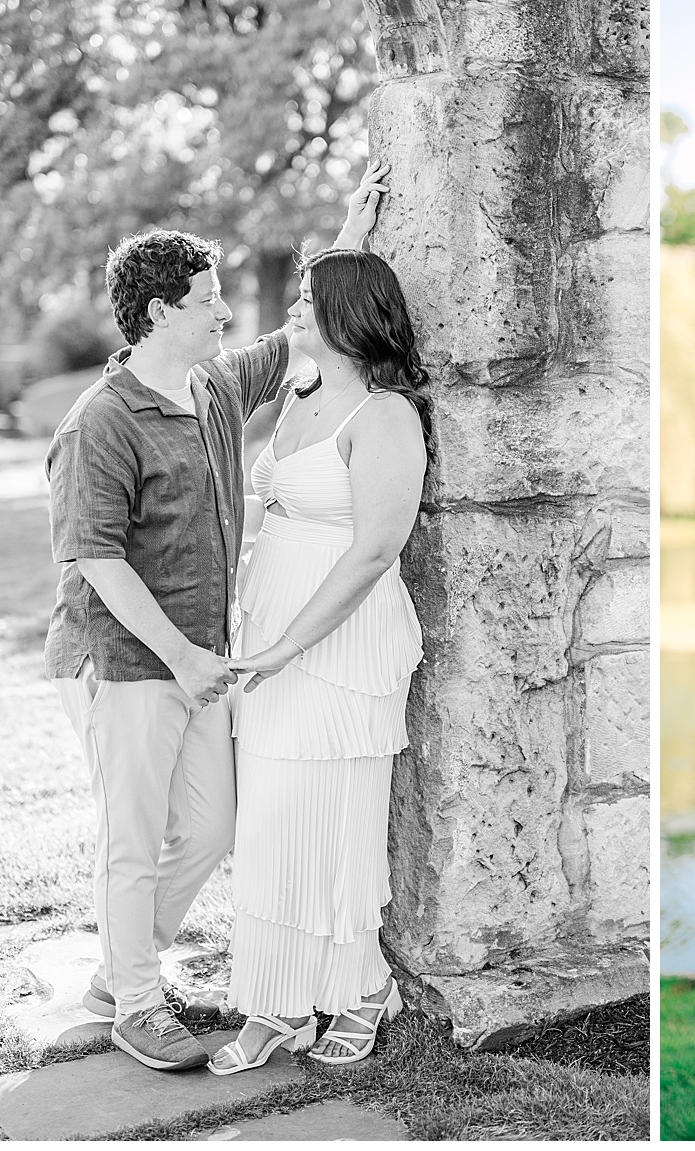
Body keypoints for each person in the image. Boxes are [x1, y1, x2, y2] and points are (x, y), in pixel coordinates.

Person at [45, 163, 387, 1071]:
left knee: (209, 829)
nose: (225, 313)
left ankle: (123, 968)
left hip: (202, 658)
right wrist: (181, 657)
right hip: (125, 663)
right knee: (133, 833)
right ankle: (138, 1004)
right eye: (207, 300)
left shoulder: (214, 389)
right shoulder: (101, 422)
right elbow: (94, 559)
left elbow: (300, 332)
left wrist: (351, 234)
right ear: (159, 313)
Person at [205, 211, 433, 1072]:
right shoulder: (299, 392)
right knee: (264, 823)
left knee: (336, 821)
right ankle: (273, 1004)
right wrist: (353, 222)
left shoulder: (386, 418)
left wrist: (285, 648)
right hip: (266, 632)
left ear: (348, 313)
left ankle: (361, 987)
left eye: (309, 298)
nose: (294, 308)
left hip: (338, 648)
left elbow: (375, 550)